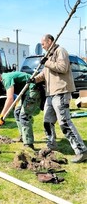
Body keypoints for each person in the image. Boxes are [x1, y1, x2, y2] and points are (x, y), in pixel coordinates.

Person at [33, 34, 87, 163]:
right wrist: (34, 79)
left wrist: (47, 62)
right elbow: (44, 74)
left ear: (50, 41)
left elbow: (63, 68)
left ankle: (82, 151)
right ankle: (51, 146)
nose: (42, 46)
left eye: (43, 43)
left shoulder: (60, 51)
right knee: (47, 122)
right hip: (50, 94)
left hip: (61, 92)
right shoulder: (48, 56)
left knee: (65, 123)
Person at [0, 71, 45, 150]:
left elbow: (10, 98)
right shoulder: (5, 78)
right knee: (17, 112)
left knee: (24, 116)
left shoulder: (6, 78)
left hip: (33, 89)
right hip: (25, 92)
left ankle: (28, 143)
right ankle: (23, 136)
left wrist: (2, 115)